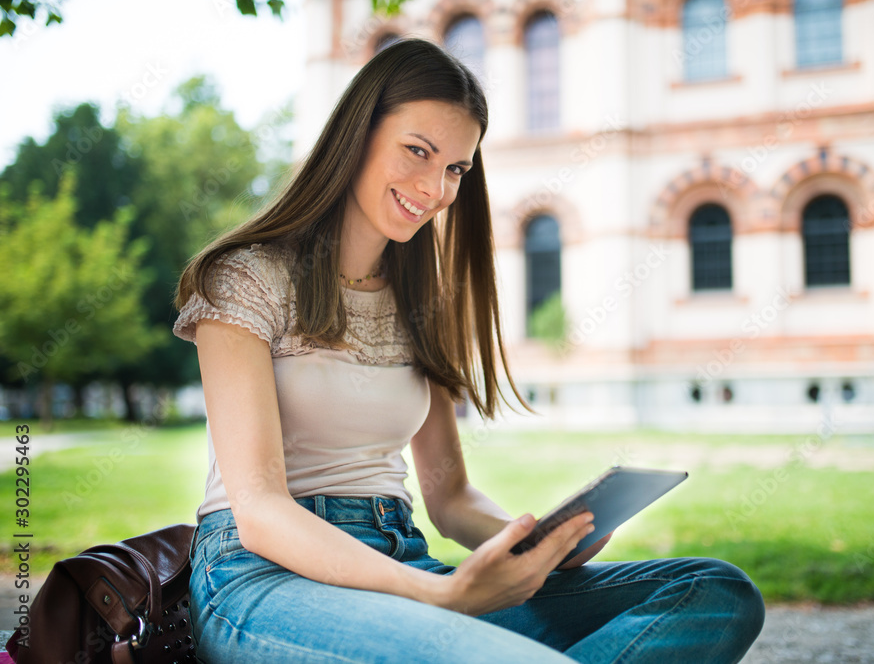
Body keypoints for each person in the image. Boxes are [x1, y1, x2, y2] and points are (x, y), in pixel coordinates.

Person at [172, 37, 764, 663]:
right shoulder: (244, 278)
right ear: (357, 134)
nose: (435, 187)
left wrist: (536, 543)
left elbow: (450, 498)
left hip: (400, 557)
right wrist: (439, 596)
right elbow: (261, 510)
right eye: (418, 152)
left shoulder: (425, 300)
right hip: (263, 578)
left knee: (713, 593)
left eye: (456, 168)